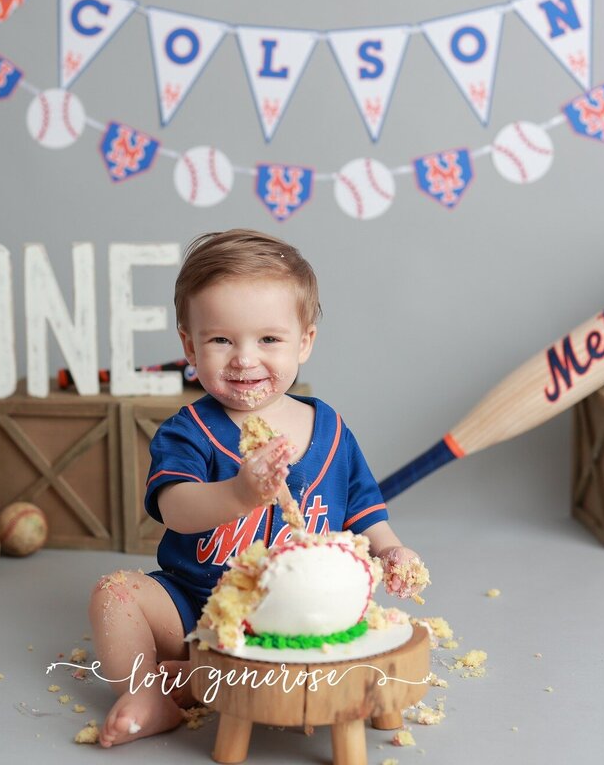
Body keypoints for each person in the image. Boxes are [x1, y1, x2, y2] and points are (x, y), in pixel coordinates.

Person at [88, 228, 425, 747]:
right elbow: (175, 508)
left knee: (353, 616)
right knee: (114, 596)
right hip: (195, 604)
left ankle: (203, 679)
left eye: (269, 339)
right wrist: (239, 495)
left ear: (305, 341)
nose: (245, 359)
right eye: (221, 339)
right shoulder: (189, 432)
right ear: (189, 346)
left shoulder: (330, 430)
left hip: (299, 614)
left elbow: (362, 505)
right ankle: (151, 689)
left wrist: (391, 547)